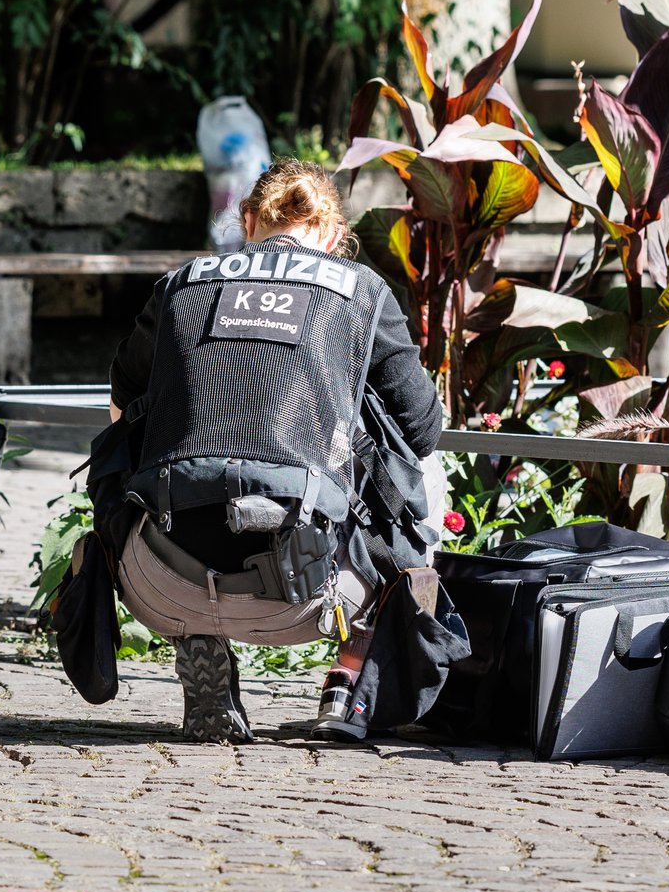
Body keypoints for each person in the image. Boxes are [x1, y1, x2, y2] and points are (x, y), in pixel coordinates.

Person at [95, 158, 444, 743]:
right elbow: (423, 429)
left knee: (162, 468)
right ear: (334, 236)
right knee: (424, 480)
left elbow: (118, 410)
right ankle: (349, 686)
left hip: (160, 577)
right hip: (305, 591)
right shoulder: (361, 290)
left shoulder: (182, 284)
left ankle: (199, 633)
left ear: (249, 220)